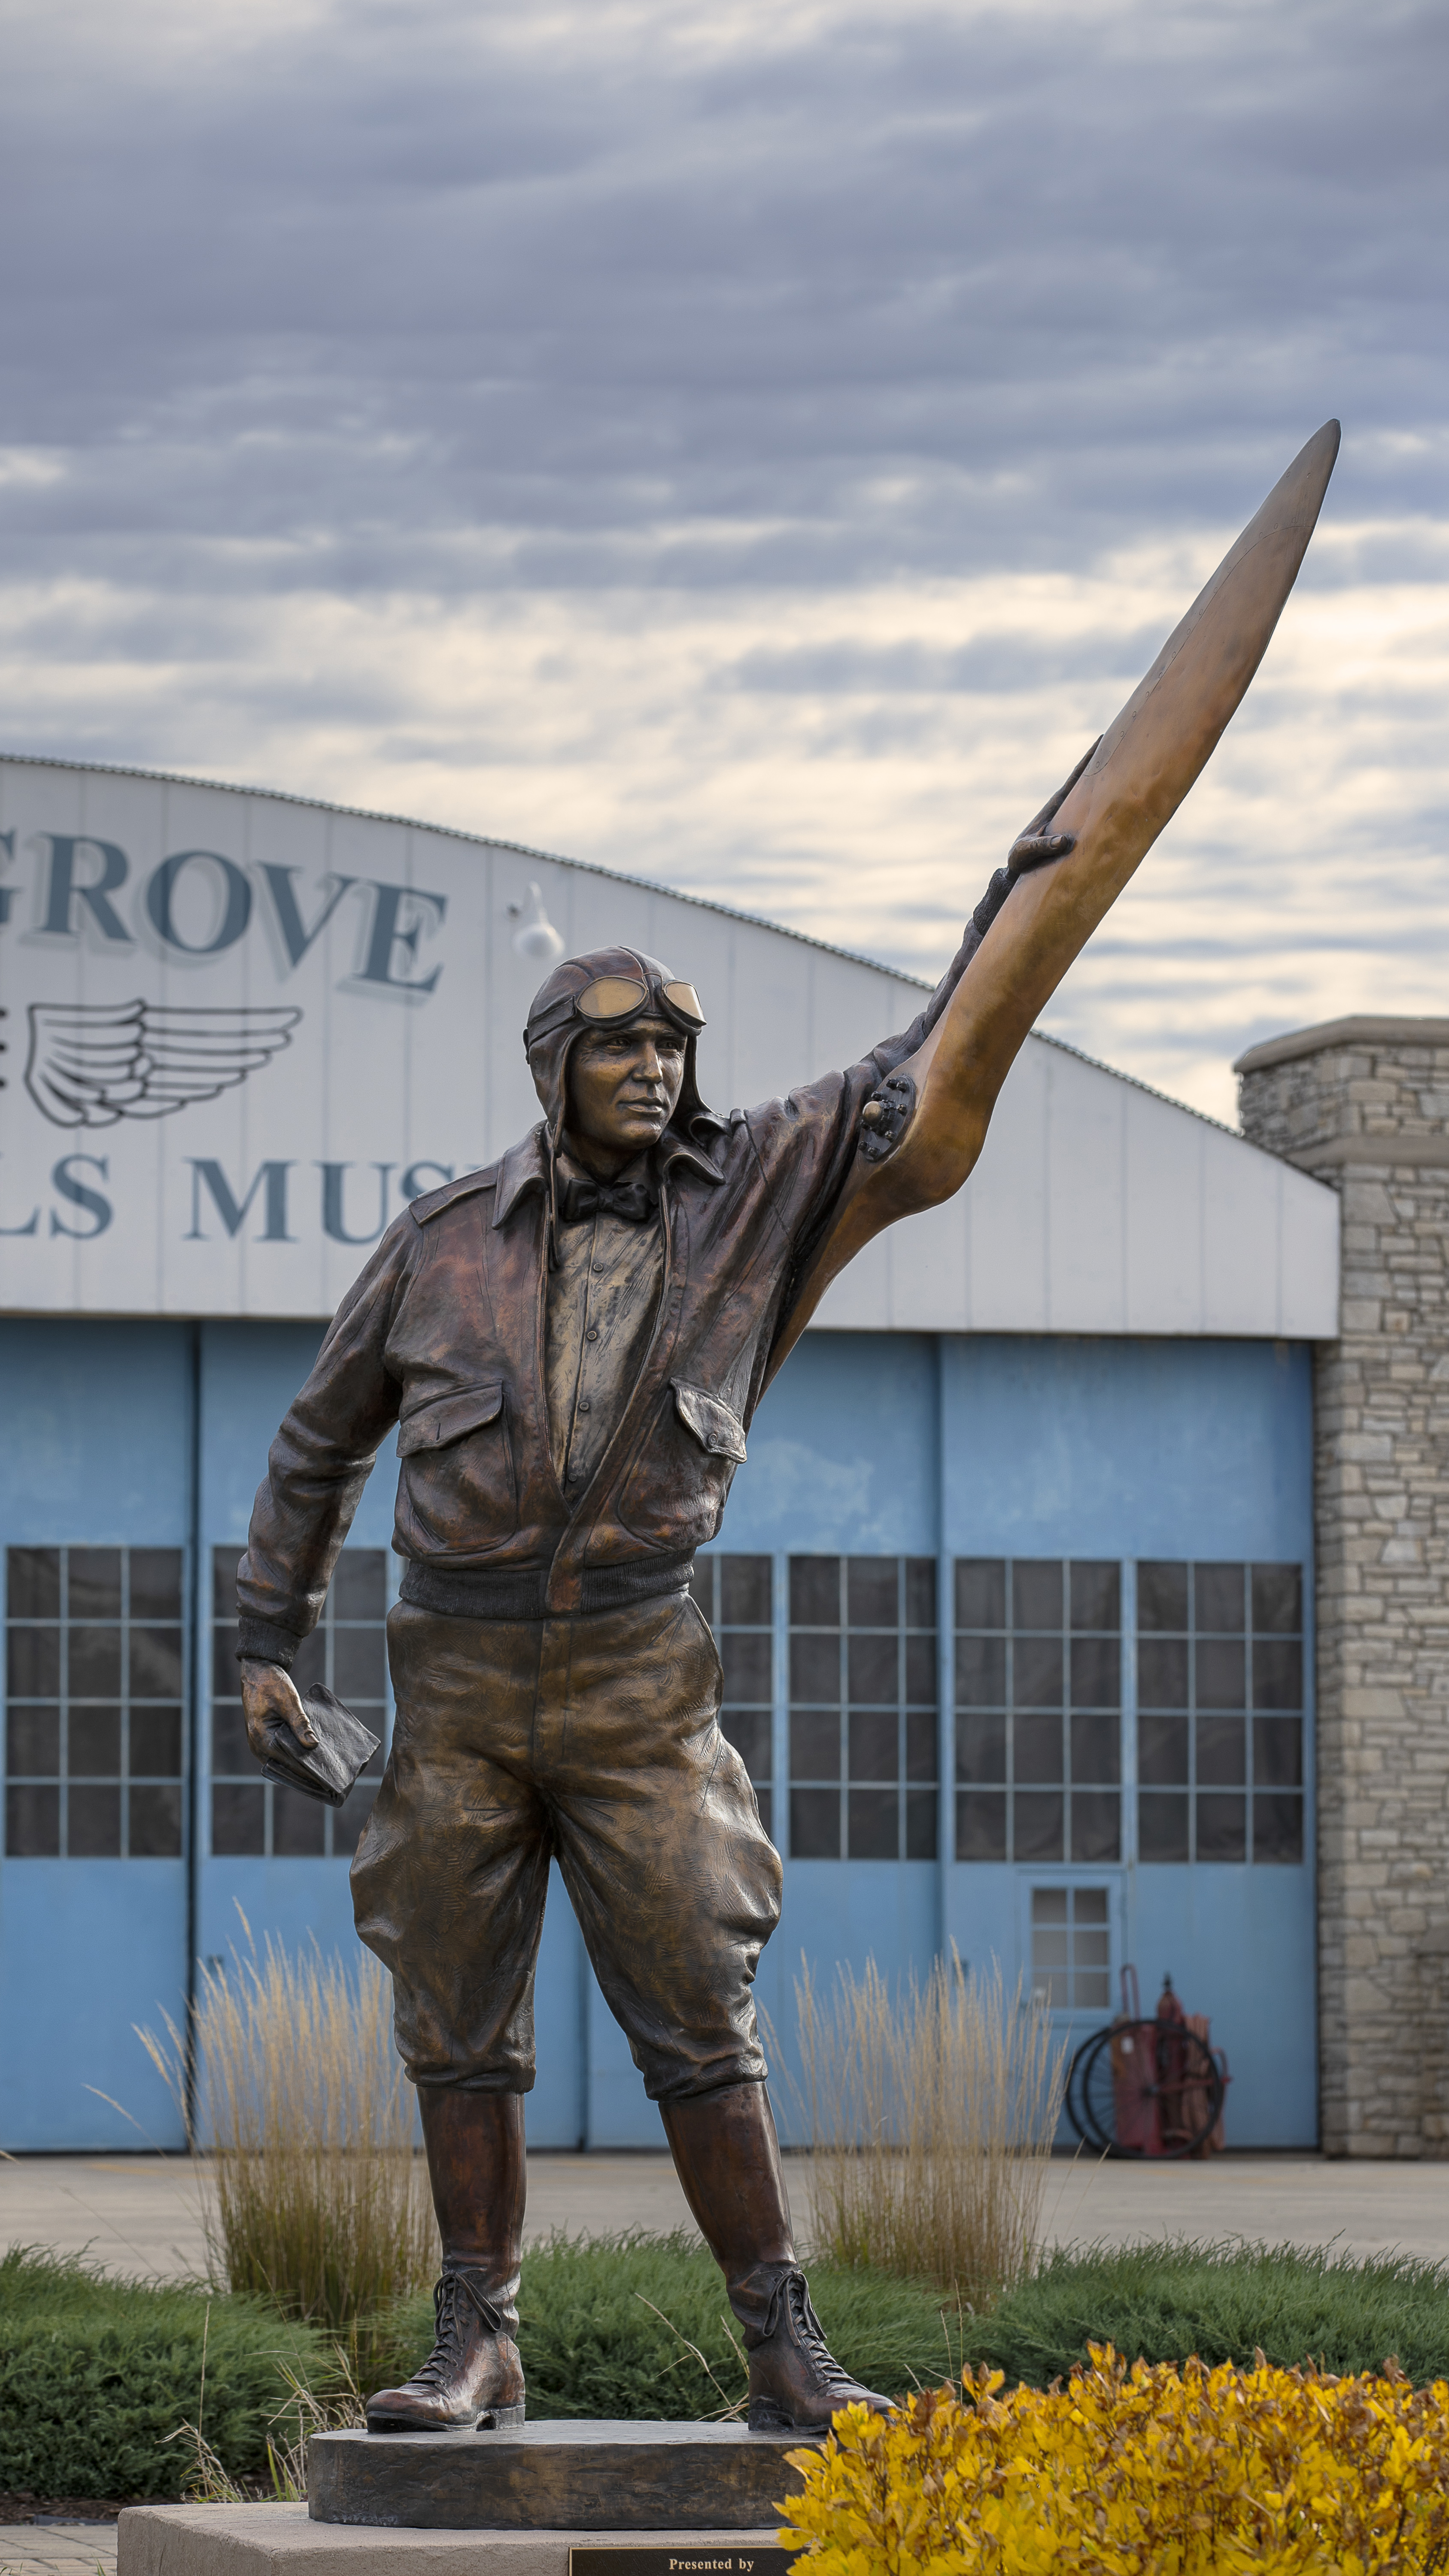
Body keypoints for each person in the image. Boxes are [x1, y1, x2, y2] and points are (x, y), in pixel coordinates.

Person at [236, 772, 1083, 2436]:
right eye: (621, 1049)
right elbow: (316, 1442)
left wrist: (1020, 897)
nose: (656, 1073)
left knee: (700, 2012)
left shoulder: (751, 1190)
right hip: (457, 1686)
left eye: (671, 1050)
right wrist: (268, 1645)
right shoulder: (434, 1248)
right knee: (453, 2027)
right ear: (554, 1069)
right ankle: (474, 2340)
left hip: (639, 1679)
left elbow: (915, 1063)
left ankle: (782, 2343)